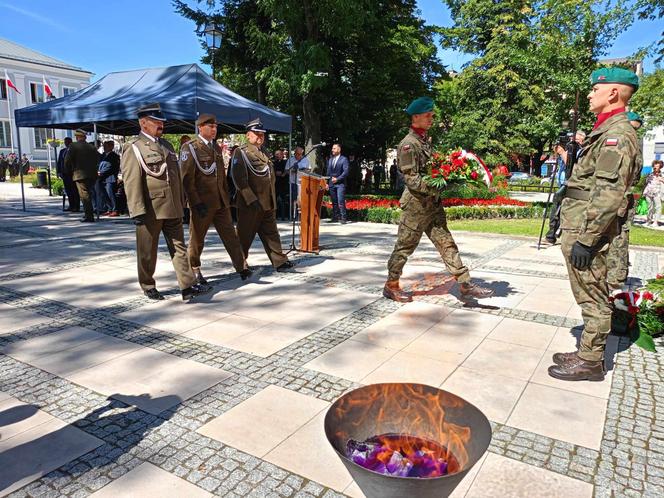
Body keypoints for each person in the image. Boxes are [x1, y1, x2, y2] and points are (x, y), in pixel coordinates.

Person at [548, 68, 641, 382]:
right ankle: (587, 350)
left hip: (587, 227)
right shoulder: (605, 131)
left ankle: (590, 361)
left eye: (594, 89)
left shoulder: (618, 135)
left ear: (612, 93)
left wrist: (587, 240)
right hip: (579, 221)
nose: (589, 94)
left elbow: (608, 193)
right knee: (587, 290)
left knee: (592, 294)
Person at [383, 96, 494, 303]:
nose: (432, 118)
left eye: (432, 115)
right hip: (415, 206)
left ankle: (465, 284)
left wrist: (449, 176)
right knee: (404, 248)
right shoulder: (409, 145)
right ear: (416, 117)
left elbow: (434, 169)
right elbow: (411, 179)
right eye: (428, 115)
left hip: (432, 205)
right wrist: (437, 185)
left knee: (447, 244)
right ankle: (391, 285)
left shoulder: (424, 141)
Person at [120, 103, 211, 301]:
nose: (161, 125)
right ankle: (147, 284)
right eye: (156, 121)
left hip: (172, 206)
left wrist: (181, 203)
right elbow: (132, 181)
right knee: (147, 251)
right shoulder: (133, 148)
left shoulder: (167, 146)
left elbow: (175, 177)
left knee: (179, 247)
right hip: (150, 208)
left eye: (161, 121)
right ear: (143, 123)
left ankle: (187, 285)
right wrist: (137, 210)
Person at [181, 113, 251, 284]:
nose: (214, 130)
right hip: (202, 203)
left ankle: (242, 267)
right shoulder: (190, 148)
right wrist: (195, 202)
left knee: (231, 236)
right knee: (197, 239)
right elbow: (187, 179)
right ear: (200, 127)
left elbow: (221, 175)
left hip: (221, 202)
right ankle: (195, 269)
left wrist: (227, 197)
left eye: (216, 127)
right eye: (210, 126)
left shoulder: (216, 148)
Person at [230, 118, 293, 271]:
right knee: (245, 235)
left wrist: (272, 198)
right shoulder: (242, 152)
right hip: (251, 203)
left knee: (271, 232)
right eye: (256, 134)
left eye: (262, 134)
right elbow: (239, 179)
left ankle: (279, 260)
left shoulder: (265, 152)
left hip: (267, 201)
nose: (260, 137)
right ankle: (240, 262)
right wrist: (251, 199)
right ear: (248, 135)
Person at [606, 112, 644, 290]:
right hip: (625, 194)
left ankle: (615, 275)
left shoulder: (626, 140)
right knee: (620, 234)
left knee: (617, 235)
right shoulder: (636, 141)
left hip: (619, 195)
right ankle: (617, 273)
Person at [65, 129, 100, 222]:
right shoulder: (92, 147)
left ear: (77, 137)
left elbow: (67, 160)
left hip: (80, 174)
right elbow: (97, 160)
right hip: (92, 175)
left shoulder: (73, 146)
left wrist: (69, 170)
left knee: (84, 195)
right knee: (89, 194)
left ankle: (89, 216)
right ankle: (90, 214)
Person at [326, 143, 350, 223]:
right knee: (334, 201)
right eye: (332, 148)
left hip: (340, 183)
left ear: (339, 150)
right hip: (331, 183)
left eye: (334, 148)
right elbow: (328, 172)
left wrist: (337, 179)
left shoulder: (344, 159)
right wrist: (326, 182)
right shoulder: (330, 159)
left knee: (340, 201)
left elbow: (346, 172)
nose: (332, 150)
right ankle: (335, 217)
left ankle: (343, 218)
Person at [96, 141, 120, 217]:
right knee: (104, 194)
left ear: (111, 147)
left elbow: (110, 166)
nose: (104, 147)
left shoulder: (114, 156)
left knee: (111, 194)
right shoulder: (102, 155)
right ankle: (109, 209)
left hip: (110, 178)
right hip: (102, 178)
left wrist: (101, 172)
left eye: (106, 146)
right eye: (104, 146)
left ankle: (115, 209)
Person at [56, 137, 79, 211]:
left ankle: (76, 206)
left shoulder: (74, 151)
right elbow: (59, 162)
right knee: (68, 190)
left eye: (67, 142)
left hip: (72, 174)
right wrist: (59, 172)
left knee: (74, 190)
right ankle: (71, 205)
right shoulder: (62, 151)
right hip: (64, 174)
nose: (66, 143)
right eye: (65, 142)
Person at [286, 146, 310, 214]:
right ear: (295, 153)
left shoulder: (306, 160)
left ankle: (302, 213)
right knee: (294, 199)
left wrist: (304, 170)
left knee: (302, 199)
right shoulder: (290, 160)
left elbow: (309, 170)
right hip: (293, 182)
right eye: (297, 153)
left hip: (302, 182)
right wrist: (293, 171)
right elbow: (286, 170)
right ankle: (293, 213)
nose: (298, 155)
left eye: (300, 154)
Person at [643, 159, 663, 227]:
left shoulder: (662, 175)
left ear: (660, 167)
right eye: (654, 166)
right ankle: (648, 221)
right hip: (648, 192)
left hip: (657, 193)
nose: (655, 167)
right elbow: (646, 182)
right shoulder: (650, 174)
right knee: (649, 207)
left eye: (657, 166)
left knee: (658, 207)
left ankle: (656, 222)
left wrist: (662, 179)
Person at [273, 149, 289, 220]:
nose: (277, 156)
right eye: (276, 154)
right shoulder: (273, 163)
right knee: (275, 200)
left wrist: (283, 173)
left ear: (282, 155)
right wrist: (275, 173)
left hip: (283, 183)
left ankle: (284, 216)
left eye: (278, 154)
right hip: (276, 183)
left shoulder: (285, 162)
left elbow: (287, 170)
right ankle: (275, 216)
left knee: (284, 200)